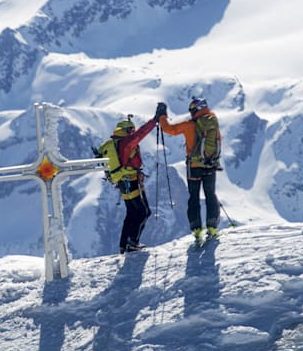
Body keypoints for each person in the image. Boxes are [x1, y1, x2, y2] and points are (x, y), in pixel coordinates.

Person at [96, 104, 166, 254]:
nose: (132, 133)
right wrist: (155, 120)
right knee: (142, 212)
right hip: (131, 180)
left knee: (131, 212)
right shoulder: (126, 143)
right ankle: (132, 242)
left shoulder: (116, 144)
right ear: (126, 131)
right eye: (130, 130)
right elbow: (141, 133)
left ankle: (124, 245)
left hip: (123, 181)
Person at [160, 97, 223, 246]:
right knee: (210, 195)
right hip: (210, 165)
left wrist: (162, 116)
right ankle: (212, 227)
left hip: (194, 167)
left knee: (193, 197)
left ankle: (196, 230)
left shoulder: (189, 125)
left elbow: (169, 129)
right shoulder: (213, 124)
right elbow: (218, 142)